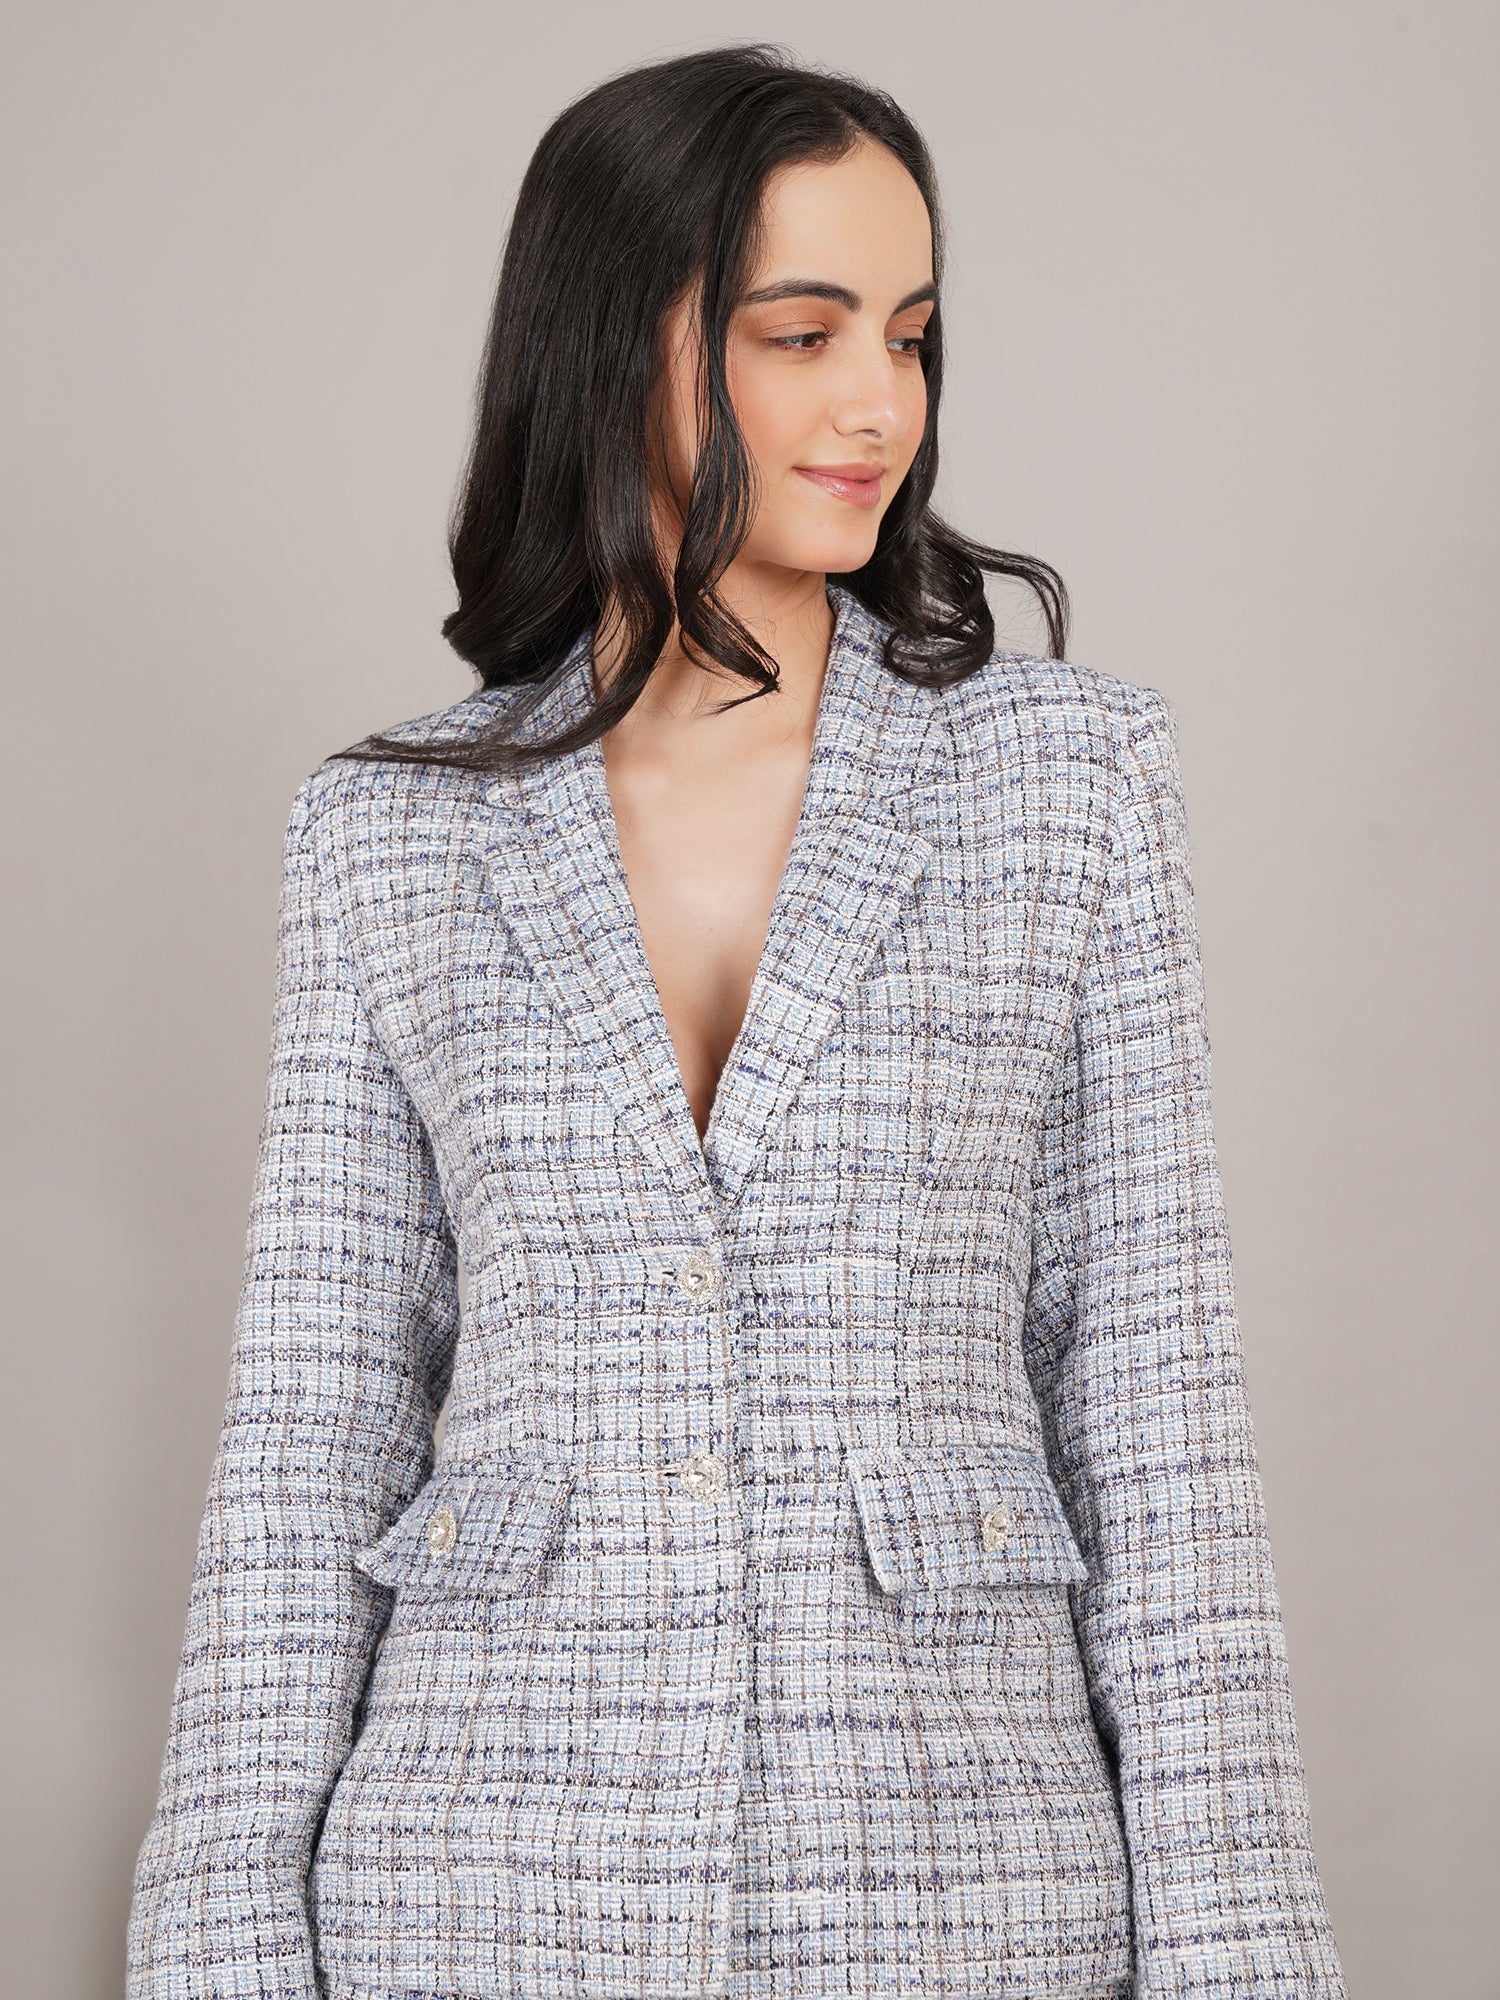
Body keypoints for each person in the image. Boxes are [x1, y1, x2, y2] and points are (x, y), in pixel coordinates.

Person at [126, 41, 1349, 2000]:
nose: (883, 403)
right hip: (475, 1882)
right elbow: (312, 1427)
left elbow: (1153, 1402)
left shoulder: (1071, 781)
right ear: (616, 343)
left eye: (912, 335)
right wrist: (217, 1947)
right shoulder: (388, 832)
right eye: (803, 334)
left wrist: (1242, 1954)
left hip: (962, 1887)